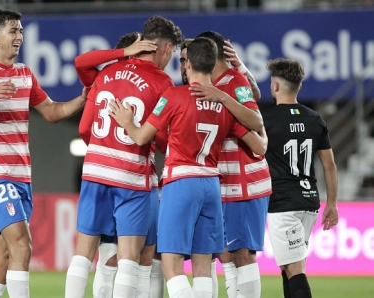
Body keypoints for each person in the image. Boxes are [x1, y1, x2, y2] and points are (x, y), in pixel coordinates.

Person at [109, 36, 267, 298]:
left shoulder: (174, 96)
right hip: (212, 186)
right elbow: (260, 146)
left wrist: (127, 122)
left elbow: (140, 137)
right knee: (203, 266)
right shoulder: (225, 104)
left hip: (181, 183)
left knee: (172, 265)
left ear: (189, 64)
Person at [0, 9, 86, 298]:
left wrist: (83, 99)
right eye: (13, 31)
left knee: (5, 258)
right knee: (23, 245)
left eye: (21, 31)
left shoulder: (24, 73)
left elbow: (51, 112)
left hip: (22, 176)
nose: (20, 37)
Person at [65, 15, 182, 298]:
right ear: (165, 48)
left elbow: (81, 65)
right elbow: (164, 140)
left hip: (95, 171)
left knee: (84, 254)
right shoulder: (163, 83)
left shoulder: (106, 72)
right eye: (173, 54)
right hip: (131, 177)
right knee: (130, 259)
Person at [190, 30, 271, 298]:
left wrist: (224, 98)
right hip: (226, 182)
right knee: (227, 254)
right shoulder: (224, 81)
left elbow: (257, 123)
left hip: (245, 183)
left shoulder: (233, 82)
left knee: (243, 255)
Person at [262, 58, 339, 298]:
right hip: (309, 202)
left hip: (283, 204)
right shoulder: (314, 118)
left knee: (294, 270)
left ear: (275, 86)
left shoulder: (266, 120)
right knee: (288, 268)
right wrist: (332, 204)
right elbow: (330, 165)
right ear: (300, 86)